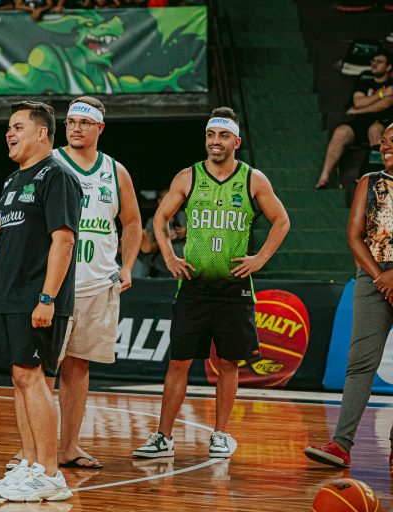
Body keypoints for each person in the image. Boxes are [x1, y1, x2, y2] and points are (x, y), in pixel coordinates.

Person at [132, 107, 290, 460]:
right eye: (210, 135)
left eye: (223, 136)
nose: (215, 142)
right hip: (194, 286)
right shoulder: (188, 177)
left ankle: (220, 434)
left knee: (229, 364)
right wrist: (169, 257)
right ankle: (163, 436)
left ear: (236, 141)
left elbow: (282, 221)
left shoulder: (253, 180)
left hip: (234, 289)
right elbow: (159, 218)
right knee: (178, 361)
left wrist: (259, 259)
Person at [0, 101, 82, 502]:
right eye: (8, 127)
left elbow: (64, 240)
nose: (9, 133)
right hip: (9, 295)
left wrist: (47, 298)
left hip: (37, 297)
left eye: (18, 126)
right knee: (20, 378)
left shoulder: (57, 176)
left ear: (42, 133)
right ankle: (29, 464)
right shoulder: (11, 181)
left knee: (34, 378)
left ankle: (50, 474)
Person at [49, 96, 141, 469]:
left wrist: (127, 266)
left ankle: (69, 447)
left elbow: (132, 222)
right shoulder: (50, 162)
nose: (76, 128)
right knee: (41, 370)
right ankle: (31, 451)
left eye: (84, 123)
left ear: (100, 128)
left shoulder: (115, 171)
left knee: (79, 367)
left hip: (98, 284)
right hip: (54, 285)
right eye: (71, 121)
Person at [305, 123, 393, 468]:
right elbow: (354, 236)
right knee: (359, 364)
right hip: (373, 277)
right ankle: (341, 445)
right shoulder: (368, 182)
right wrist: (380, 277)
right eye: (384, 143)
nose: (386, 148)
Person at [316, 49, 393, 189]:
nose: (374, 64)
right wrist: (381, 94)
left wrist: (359, 110)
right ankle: (324, 177)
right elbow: (358, 102)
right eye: (373, 61)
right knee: (341, 132)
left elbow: (385, 105)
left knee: (375, 130)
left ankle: (374, 177)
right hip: (360, 124)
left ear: (388, 67)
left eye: (379, 62)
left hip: (382, 123)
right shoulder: (364, 79)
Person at [141, 188, 188, 278]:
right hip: (163, 271)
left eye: (173, 199)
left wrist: (187, 232)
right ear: (159, 201)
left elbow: (202, 237)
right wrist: (165, 238)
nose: (171, 202)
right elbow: (149, 249)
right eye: (166, 199)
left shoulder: (185, 216)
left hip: (185, 269)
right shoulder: (153, 221)